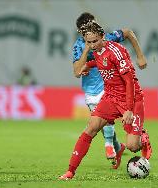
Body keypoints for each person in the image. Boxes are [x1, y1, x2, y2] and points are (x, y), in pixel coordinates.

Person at [59, 21, 152, 180]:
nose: (92, 45)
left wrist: (129, 109)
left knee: (132, 146)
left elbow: (129, 82)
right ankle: (70, 171)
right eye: (89, 42)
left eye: (95, 41)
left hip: (132, 98)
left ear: (103, 36)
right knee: (91, 128)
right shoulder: (94, 50)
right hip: (110, 97)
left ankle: (142, 138)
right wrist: (88, 65)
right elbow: (101, 61)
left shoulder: (117, 51)